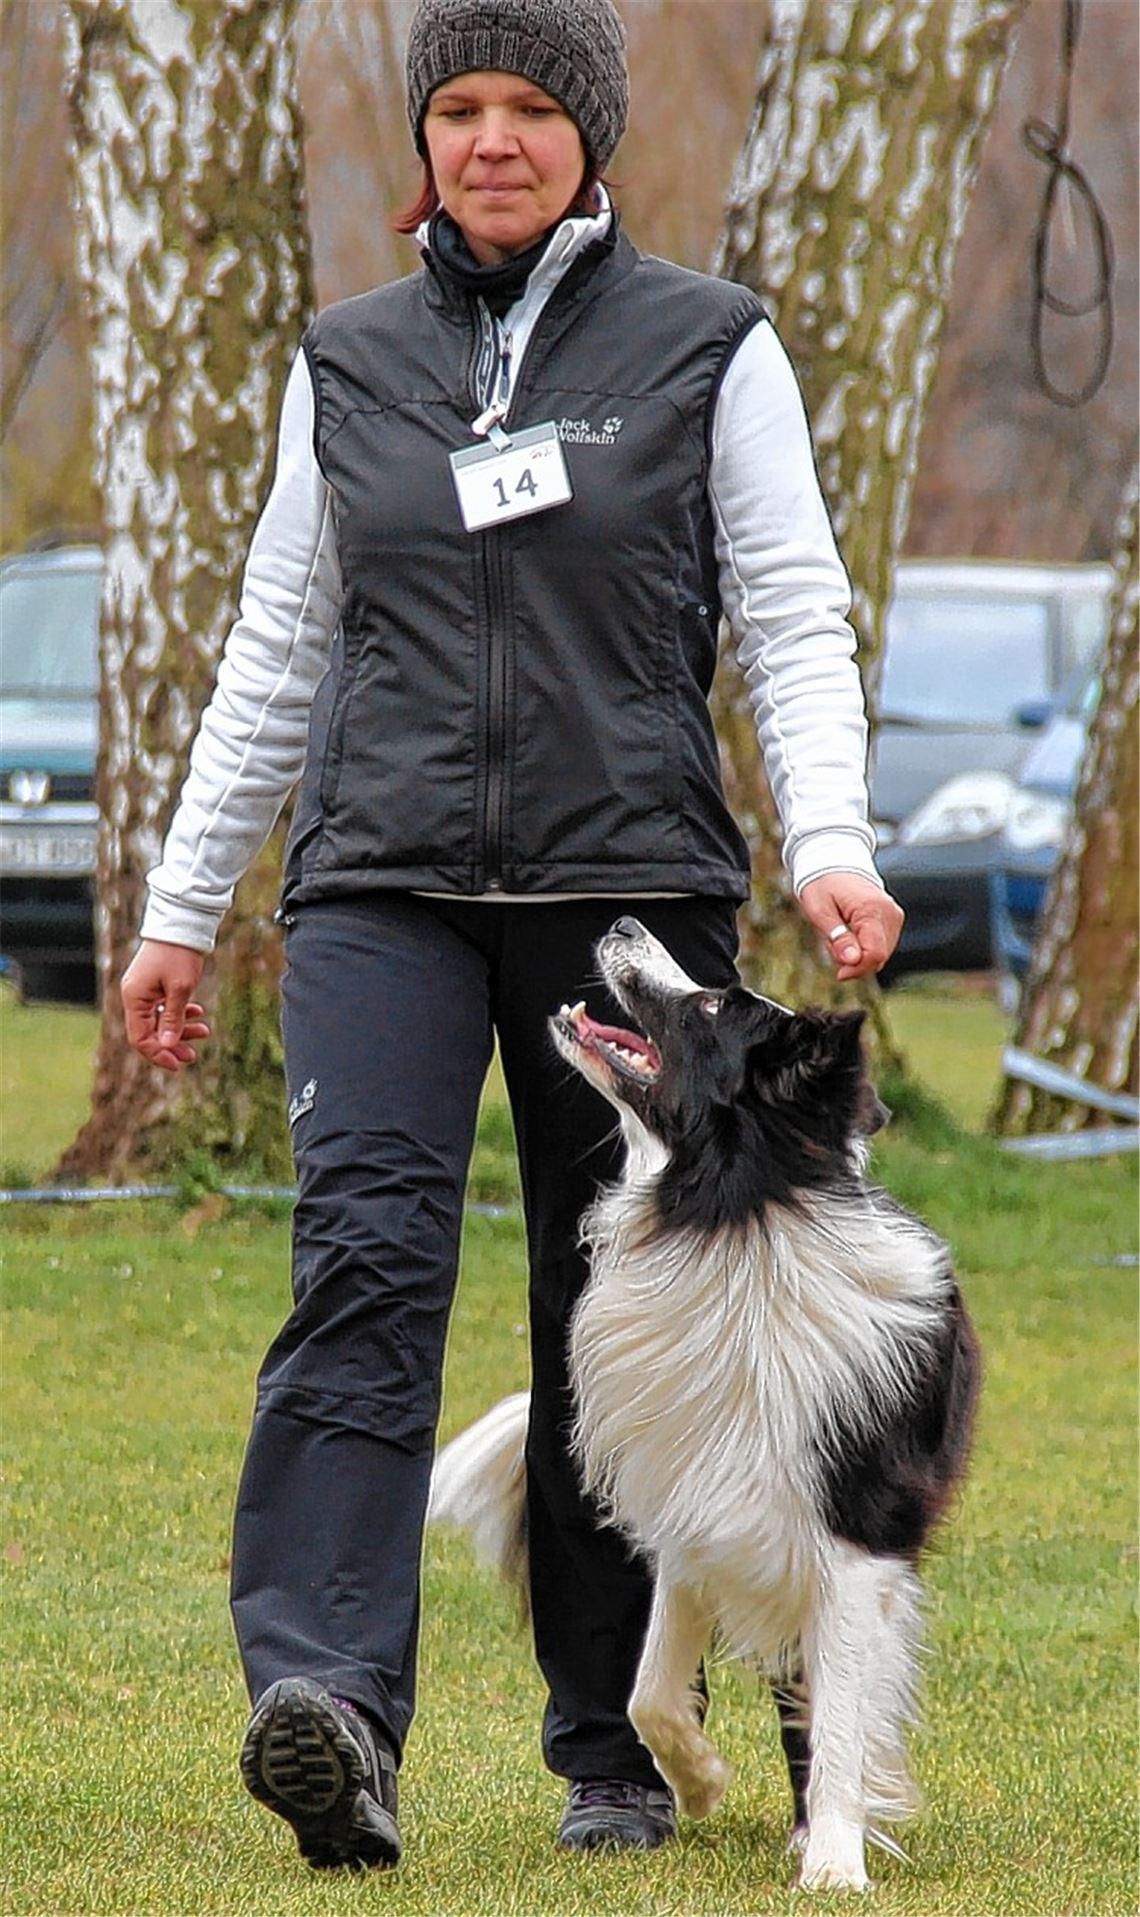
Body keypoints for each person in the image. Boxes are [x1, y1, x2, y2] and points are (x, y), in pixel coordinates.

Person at [123, 0, 904, 1873]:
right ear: (425, 137)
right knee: (364, 1271)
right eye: (459, 107)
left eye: (528, 109)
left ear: (591, 136)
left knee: (621, 1318)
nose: (491, 139)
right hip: (378, 882)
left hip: (621, 897)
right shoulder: (348, 361)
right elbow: (273, 651)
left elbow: (793, 615)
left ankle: (614, 1747)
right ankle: (326, 1708)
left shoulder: (713, 345)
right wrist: (176, 907)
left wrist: (832, 841)